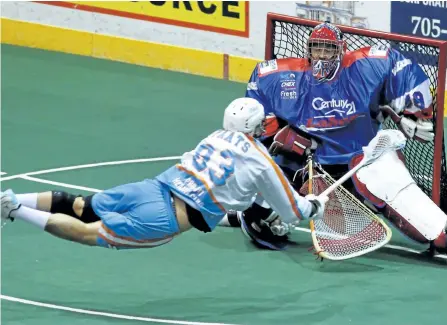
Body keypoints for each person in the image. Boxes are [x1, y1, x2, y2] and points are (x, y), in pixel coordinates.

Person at [221, 22, 447, 254]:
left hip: (365, 160)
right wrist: (279, 136)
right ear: (308, 50)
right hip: (308, 169)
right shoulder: (279, 78)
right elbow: (256, 122)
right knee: (259, 219)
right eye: (317, 48)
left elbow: (401, 66)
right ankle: (239, 212)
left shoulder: (366, 67)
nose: (322, 55)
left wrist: (415, 112)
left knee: (440, 236)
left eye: (328, 49)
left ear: (341, 49)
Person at [1, 98, 326, 250]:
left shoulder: (214, 136)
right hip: (166, 217)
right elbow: (293, 210)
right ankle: (15, 210)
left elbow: (235, 194)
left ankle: (13, 198)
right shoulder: (260, 161)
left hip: (154, 187)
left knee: (82, 206)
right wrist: (314, 206)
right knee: (89, 233)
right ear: (256, 127)